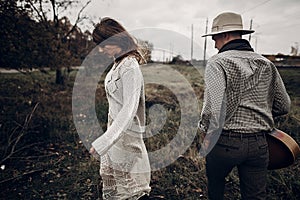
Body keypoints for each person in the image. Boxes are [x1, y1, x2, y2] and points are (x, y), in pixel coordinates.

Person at [198, 12, 291, 200]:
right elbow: (284, 105)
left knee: (216, 190)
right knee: (256, 196)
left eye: (215, 37)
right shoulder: (266, 63)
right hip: (259, 144)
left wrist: (205, 133)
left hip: (225, 141)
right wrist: (259, 113)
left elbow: (213, 109)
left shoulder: (218, 62)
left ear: (225, 35)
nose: (214, 43)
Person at [89, 17, 151, 200]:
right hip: (115, 137)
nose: (100, 50)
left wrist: (104, 141)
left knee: (132, 191)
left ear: (115, 40)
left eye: (103, 45)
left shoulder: (129, 66)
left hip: (127, 139)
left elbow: (129, 110)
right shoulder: (118, 63)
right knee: (115, 187)